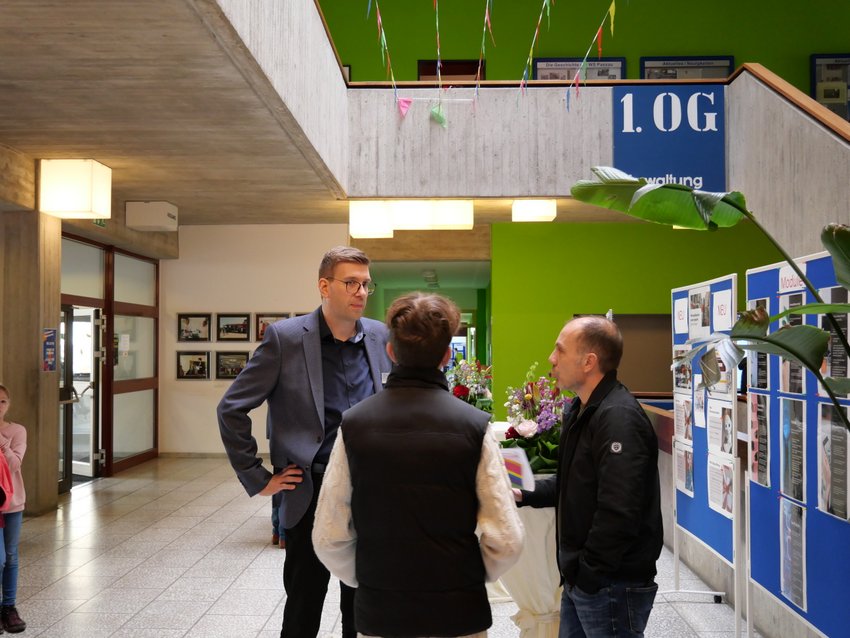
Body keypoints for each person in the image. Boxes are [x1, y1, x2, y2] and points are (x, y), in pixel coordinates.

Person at [313, 292, 524, 637]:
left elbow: (328, 536)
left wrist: (369, 576)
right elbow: (507, 539)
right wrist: (467, 576)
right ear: (446, 355)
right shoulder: (474, 426)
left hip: (381, 612)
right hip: (459, 614)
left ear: (391, 352)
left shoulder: (353, 425)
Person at [217, 246, 393, 638]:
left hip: (370, 491)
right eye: (351, 283)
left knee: (362, 606)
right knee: (304, 602)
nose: (361, 292)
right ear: (324, 287)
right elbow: (231, 408)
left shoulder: (380, 336)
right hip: (310, 489)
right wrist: (257, 477)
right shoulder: (287, 338)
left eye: (366, 284)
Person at [516, 316, 662, 638]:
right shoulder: (581, 409)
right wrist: (524, 493)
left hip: (610, 584)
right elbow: (574, 483)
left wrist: (589, 574)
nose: (551, 359)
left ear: (588, 362)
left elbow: (619, 511)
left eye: (560, 350)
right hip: (583, 579)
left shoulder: (619, 418)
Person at [0, 385, 27, 633]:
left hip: (12, 503)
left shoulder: (17, 431)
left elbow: (14, 465)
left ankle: (8, 607)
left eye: (3, 402)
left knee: (10, 556)